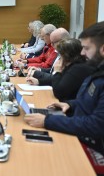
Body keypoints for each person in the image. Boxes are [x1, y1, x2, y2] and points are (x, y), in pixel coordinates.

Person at [24, 21, 104, 156]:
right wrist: (70, 104)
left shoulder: (92, 71)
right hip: (80, 132)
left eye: (86, 48)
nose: (82, 53)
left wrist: (46, 121)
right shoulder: (97, 71)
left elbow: (96, 125)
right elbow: (87, 101)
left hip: (93, 148)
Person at [26, 38, 96, 101]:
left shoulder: (77, 68)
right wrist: (39, 82)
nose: (59, 57)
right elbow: (61, 80)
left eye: (61, 55)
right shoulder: (73, 64)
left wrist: (57, 72)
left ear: (67, 55)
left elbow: (58, 92)